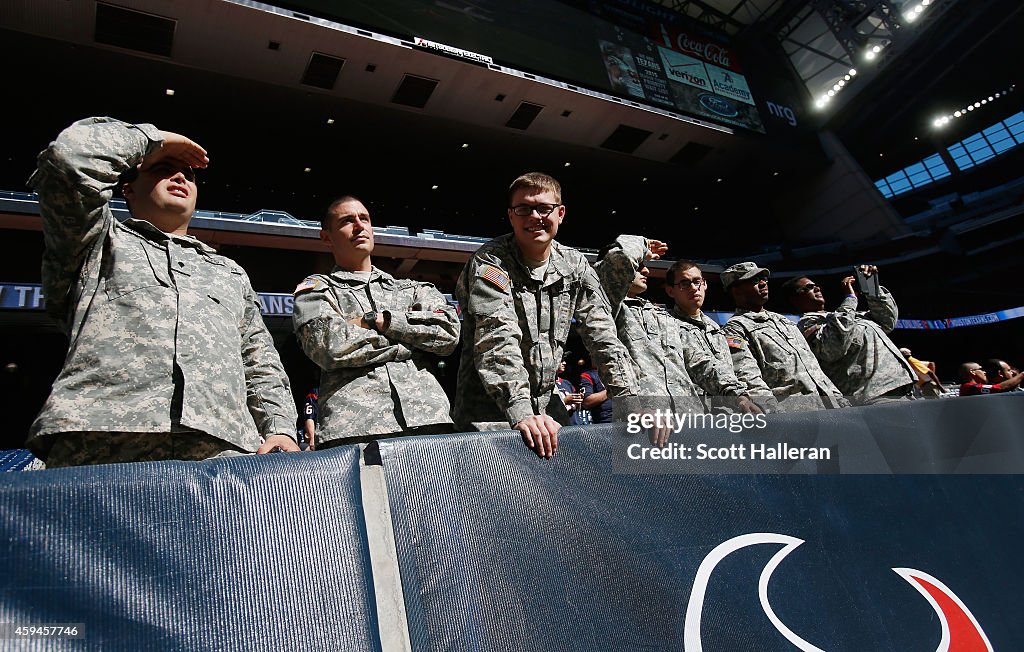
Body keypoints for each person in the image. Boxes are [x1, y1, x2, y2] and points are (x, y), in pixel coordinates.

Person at [27, 117, 299, 466]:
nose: (181, 176)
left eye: (189, 174)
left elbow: (259, 360)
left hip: (221, 448)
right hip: (102, 440)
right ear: (127, 189)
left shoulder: (230, 274)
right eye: (163, 168)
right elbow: (69, 160)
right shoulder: (94, 242)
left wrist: (279, 428)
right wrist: (153, 140)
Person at [453, 172, 639, 458]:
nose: (534, 216)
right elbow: (496, 337)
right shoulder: (490, 261)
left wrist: (629, 401)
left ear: (560, 213)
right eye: (523, 208)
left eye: (544, 208)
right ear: (511, 216)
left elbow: (602, 334)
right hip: (491, 410)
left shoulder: (574, 264)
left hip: (547, 408)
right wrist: (521, 411)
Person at [293, 196, 459, 447]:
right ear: (326, 237)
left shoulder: (411, 288)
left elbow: (447, 333)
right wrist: (409, 343)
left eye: (365, 219)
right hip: (356, 430)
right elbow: (327, 346)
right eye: (347, 221)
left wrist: (382, 322)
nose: (359, 226)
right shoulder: (316, 289)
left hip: (429, 422)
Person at [593, 235, 762, 416]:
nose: (646, 271)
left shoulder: (663, 316)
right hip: (646, 421)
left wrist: (736, 394)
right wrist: (640, 245)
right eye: (638, 266)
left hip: (688, 417)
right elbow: (616, 263)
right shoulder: (608, 307)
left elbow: (699, 362)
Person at [721, 262, 847, 411]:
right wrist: (773, 413)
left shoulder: (783, 321)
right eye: (754, 280)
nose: (763, 283)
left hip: (830, 406)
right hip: (796, 414)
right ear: (736, 290)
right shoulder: (736, 328)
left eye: (764, 279)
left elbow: (813, 367)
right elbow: (748, 377)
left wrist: (838, 397)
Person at [783, 267, 916, 406]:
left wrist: (870, 285)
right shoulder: (807, 324)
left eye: (816, 285)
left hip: (902, 388)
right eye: (809, 287)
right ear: (795, 299)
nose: (817, 288)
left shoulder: (844, 316)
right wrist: (850, 299)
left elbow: (887, 321)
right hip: (873, 396)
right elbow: (833, 348)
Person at [664, 259, 777, 412]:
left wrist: (766, 405)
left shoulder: (715, 328)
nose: (693, 288)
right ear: (671, 291)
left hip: (731, 411)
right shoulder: (667, 324)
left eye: (697, 281)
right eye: (684, 283)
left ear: (705, 284)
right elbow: (700, 364)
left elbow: (741, 368)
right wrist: (737, 396)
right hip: (696, 414)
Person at [959, 360, 1024, 396]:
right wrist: (1022, 375)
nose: (984, 372)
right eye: (981, 369)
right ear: (972, 372)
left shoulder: (980, 386)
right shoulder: (967, 387)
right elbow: (998, 388)